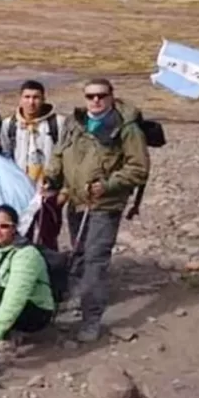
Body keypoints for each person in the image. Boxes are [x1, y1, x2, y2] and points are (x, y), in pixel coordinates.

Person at [43, 78, 150, 342]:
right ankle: (78, 298)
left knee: (95, 260)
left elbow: (138, 168)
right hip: (76, 200)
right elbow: (60, 153)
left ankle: (91, 319)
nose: (96, 101)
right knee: (79, 251)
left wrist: (108, 185)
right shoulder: (74, 122)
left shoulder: (126, 129)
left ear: (111, 96)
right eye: (90, 96)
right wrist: (52, 178)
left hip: (105, 204)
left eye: (101, 95)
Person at [0, 204, 54, 356]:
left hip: (38, 312)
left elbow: (14, 300)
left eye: (4, 226)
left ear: (14, 228)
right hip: (23, 303)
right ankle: (8, 332)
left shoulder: (26, 256)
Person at [0, 80, 67, 250]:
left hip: (49, 190)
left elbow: (68, 158)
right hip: (21, 191)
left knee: (49, 235)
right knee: (21, 234)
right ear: (20, 99)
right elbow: (6, 156)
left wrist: (65, 190)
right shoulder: (9, 125)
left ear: (44, 98)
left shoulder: (59, 123)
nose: (31, 102)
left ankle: (50, 271)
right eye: (27, 97)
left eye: (36, 97)